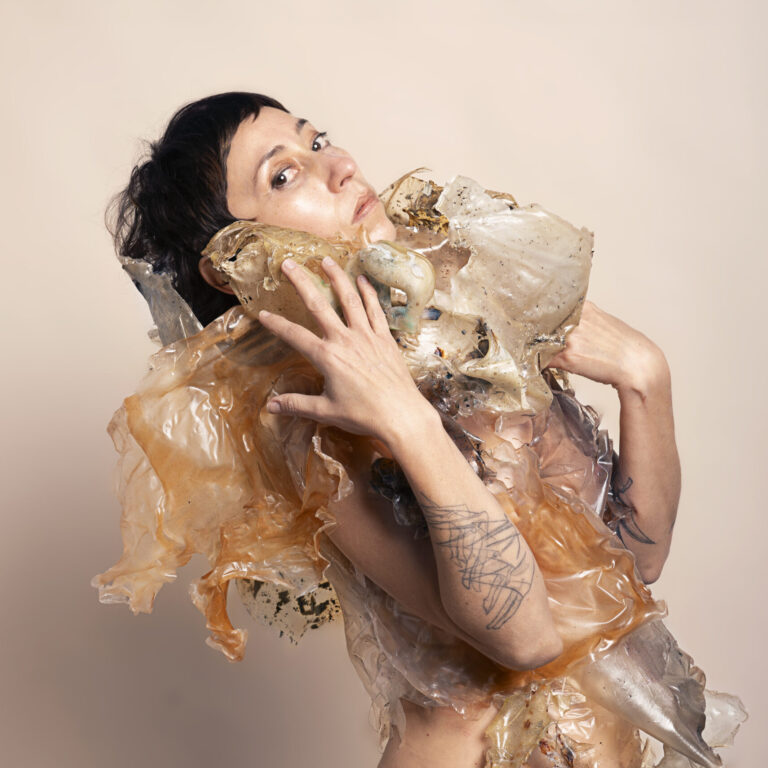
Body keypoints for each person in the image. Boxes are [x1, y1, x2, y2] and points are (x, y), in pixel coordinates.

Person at [101, 92, 722, 768]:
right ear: (235, 261)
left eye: (318, 140)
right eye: (284, 175)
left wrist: (645, 377)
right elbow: (526, 639)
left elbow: (631, 563)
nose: (339, 166)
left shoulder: (463, 322)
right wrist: (407, 422)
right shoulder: (313, 418)